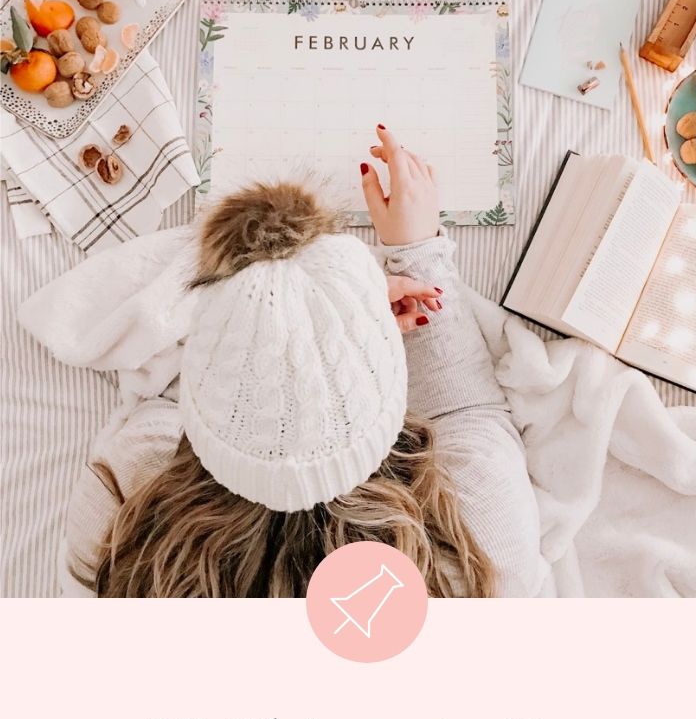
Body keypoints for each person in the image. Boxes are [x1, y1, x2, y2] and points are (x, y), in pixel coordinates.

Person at [63, 125, 542, 597]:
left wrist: (278, 326)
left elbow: (189, 398)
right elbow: (468, 412)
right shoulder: (477, 539)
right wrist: (417, 257)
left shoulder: (126, 505)